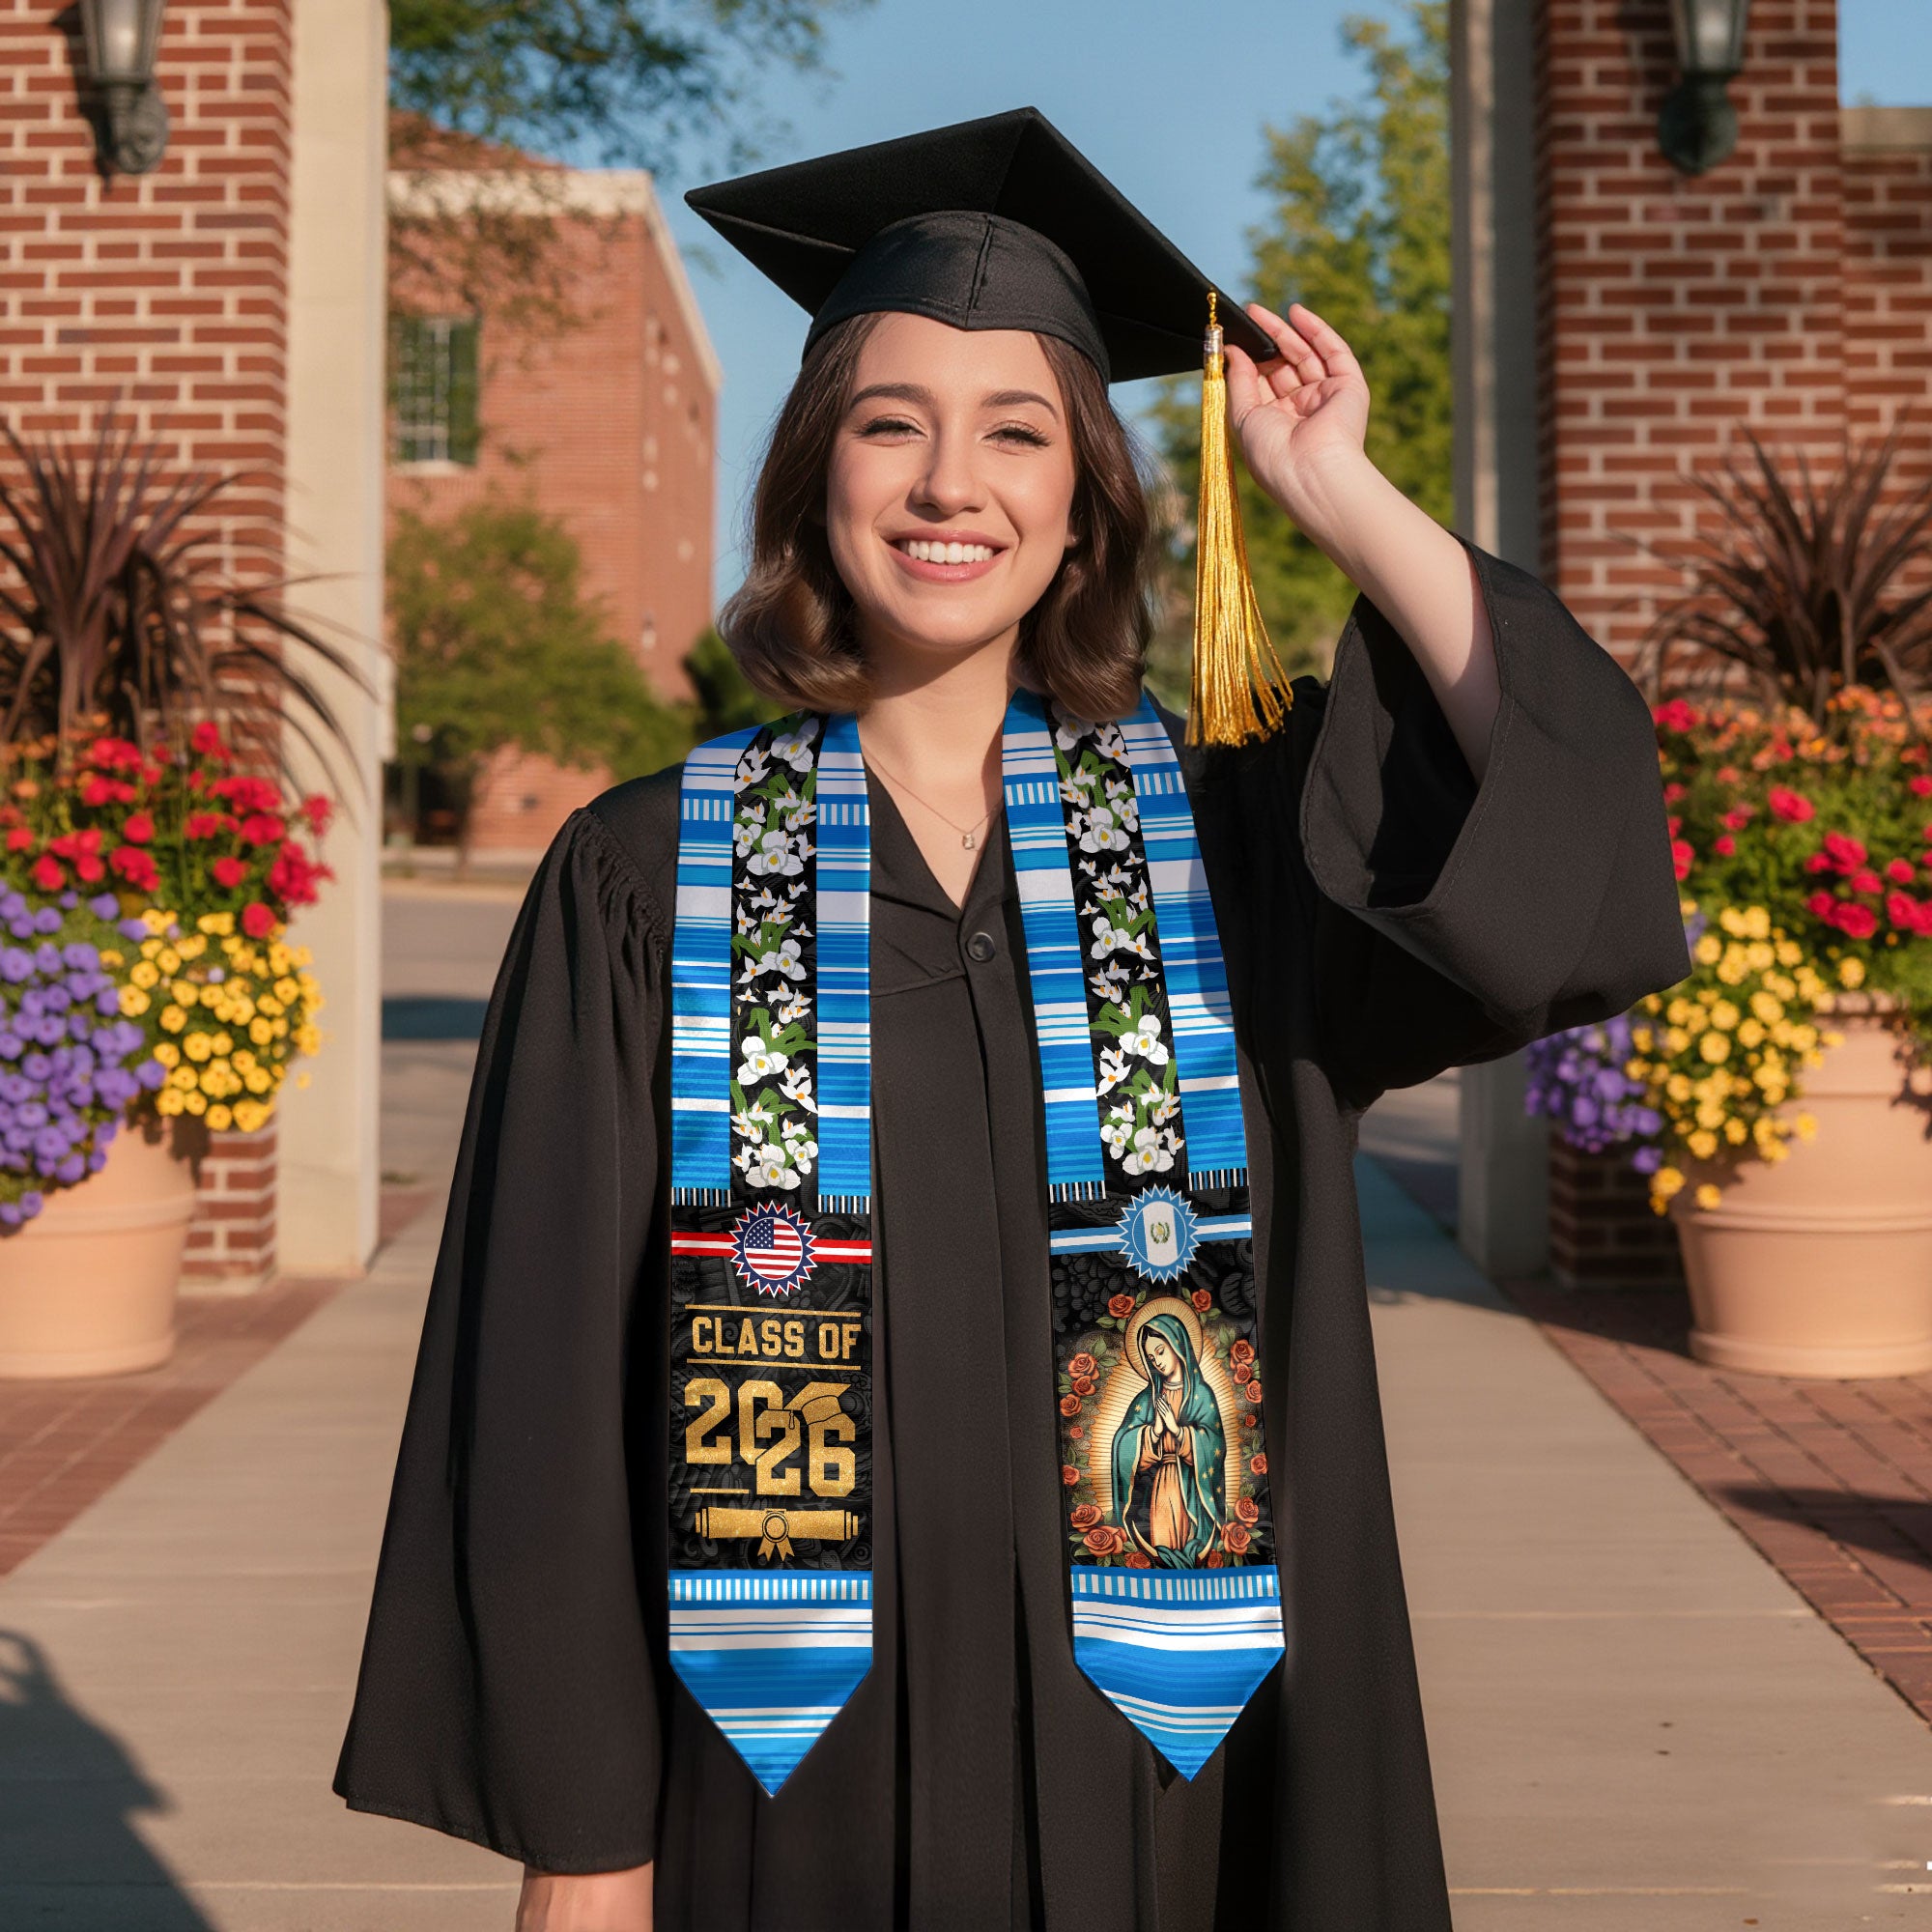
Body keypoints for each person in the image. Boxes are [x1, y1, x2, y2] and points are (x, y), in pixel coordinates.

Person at [332, 108, 1691, 1931]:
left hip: (1179, 1781)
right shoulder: (648, 881)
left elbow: (1560, 826)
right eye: (892, 424)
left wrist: (1336, 491)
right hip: (780, 1781)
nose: (948, 484)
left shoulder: (1230, 851)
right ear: (818, 472)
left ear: (1083, 504)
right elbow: (547, 1387)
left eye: (1016, 433)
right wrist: (585, 1843)